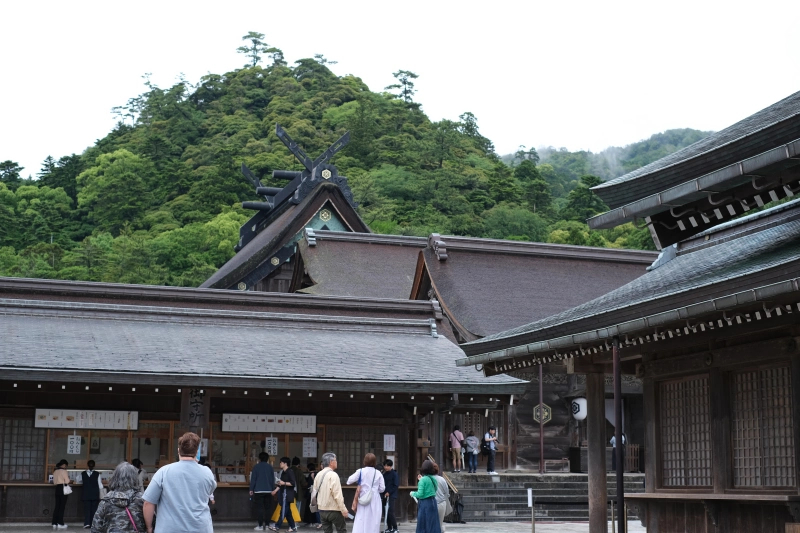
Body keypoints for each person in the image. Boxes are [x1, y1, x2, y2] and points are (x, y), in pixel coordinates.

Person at [142, 432, 217, 533]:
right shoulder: (207, 472)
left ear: (178, 451)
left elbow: (148, 503)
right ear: (197, 452)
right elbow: (209, 491)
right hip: (200, 528)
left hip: (169, 529)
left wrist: (149, 527)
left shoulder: (164, 472)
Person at [91, 462, 145, 533]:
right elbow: (153, 523)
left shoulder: (106, 500)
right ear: (134, 478)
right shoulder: (142, 499)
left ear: (115, 477)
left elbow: (96, 527)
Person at [346, 453, 385, 533]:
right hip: (375, 499)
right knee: (374, 520)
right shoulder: (378, 473)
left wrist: (361, 483)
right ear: (375, 462)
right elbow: (382, 489)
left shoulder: (360, 471)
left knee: (361, 519)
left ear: (365, 461)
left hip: (363, 498)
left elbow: (349, 481)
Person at [313, 452, 348, 533]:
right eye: (335, 460)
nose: (336, 462)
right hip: (334, 509)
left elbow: (314, 492)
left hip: (322, 510)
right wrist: (343, 509)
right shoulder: (333, 475)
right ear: (331, 462)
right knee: (341, 530)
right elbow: (337, 495)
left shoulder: (318, 475)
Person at [410, 460, 440, 533]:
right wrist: (421, 479)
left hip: (425, 503)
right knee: (433, 523)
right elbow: (435, 489)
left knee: (423, 524)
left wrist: (412, 493)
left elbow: (420, 494)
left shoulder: (423, 480)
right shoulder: (433, 479)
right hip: (433, 502)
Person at [269, 457, 298, 532]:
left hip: (287, 494)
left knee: (283, 511)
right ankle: (293, 527)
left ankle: (277, 526)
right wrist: (275, 491)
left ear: (285, 463)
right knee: (287, 512)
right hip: (283, 493)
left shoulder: (290, 471)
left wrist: (283, 483)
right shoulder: (283, 472)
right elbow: (280, 484)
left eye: (281, 462)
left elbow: (292, 483)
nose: (280, 464)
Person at [250, 452, 276, 531]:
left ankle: (260, 525)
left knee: (260, 508)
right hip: (269, 491)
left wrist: (251, 489)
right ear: (267, 459)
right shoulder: (270, 467)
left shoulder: (256, 467)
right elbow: (273, 479)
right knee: (268, 508)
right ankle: (267, 525)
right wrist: (273, 489)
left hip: (258, 491)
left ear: (259, 459)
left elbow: (253, 479)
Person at [82, 459, 102, 529]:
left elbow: (79, 481)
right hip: (94, 494)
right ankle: (93, 524)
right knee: (94, 509)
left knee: (87, 509)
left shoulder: (83, 473)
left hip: (86, 494)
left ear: (87, 465)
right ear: (94, 466)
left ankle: (87, 523)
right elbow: (100, 485)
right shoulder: (97, 474)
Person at [52, 459, 71, 529]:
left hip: (57, 488)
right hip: (63, 489)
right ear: (63, 465)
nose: (66, 467)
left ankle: (54, 522)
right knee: (62, 506)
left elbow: (54, 481)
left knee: (57, 506)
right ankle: (60, 523)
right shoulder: (64, 471)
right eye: (66, 465)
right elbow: (67, 481)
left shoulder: (55, 471)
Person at [381, 459, 399, 533]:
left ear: (390, 466)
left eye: (387, 466)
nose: (385, 467)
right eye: (384, 465)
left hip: (391, 495)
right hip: (384, 495)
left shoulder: (394, 474)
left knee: (391, 511)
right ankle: (389, 527)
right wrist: (384, 492)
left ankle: (395, 528)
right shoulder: (384, 474)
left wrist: (389, 492)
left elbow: (395, 485)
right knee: (385, 512)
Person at [432, 463, 449, 533]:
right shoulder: (442, 479)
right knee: (439, 523)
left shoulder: (426, 479)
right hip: (441, 503)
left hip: (430, 503)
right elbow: (447, 492)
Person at [305, 462, 322, 529]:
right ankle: (316, 522)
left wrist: (312, 478)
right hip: (315, 493)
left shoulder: (312, 474)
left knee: (312, 508)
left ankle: (314, 522)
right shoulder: (317, 473)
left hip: (312, 493)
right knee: (315, 508)